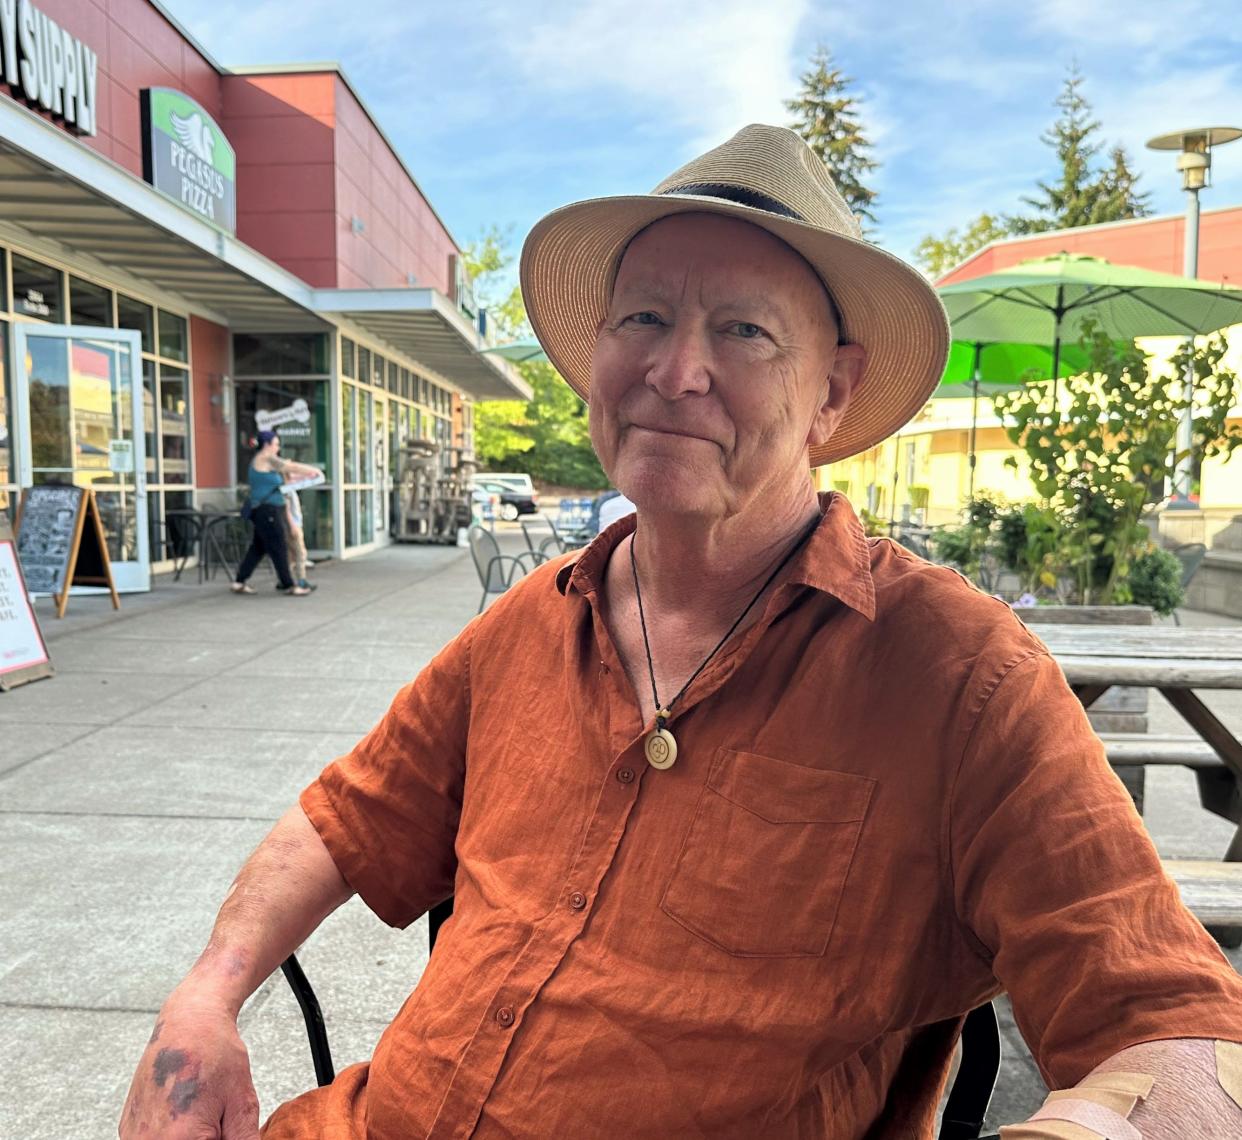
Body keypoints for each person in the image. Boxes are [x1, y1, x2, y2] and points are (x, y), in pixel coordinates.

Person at [122, 126, 1242, 1139]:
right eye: (644, 318)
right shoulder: (529, 622)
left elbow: (1183, 1036)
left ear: (833, 395)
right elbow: (340, 819)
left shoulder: (958, 681)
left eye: (744, 332)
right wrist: (207, 995)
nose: (675, 371)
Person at [231, 430, 317, 598]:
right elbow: (289, 467)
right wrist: (313, 470)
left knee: (258, 547)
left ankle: (239, 581)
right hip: (268, 511)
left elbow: (285, 478)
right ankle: (289, 585)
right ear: (268, 444)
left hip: (265, 510)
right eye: (276, 444)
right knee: (279, 547)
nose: (278, 447)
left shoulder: (262, 460)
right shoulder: (266, 458)